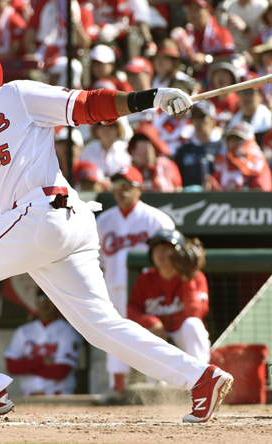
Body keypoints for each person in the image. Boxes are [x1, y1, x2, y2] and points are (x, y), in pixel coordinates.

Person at [0, 44, 233, 422]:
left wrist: (151, 98)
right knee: (101, 328)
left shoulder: (16, 95)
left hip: (43, 211)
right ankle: (201, 377)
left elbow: (86, 105)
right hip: (49, 224)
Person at [96, 165, 176, 394]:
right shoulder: (103, 221)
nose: (121, 190)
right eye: (117, 185)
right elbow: (97, 260)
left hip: (147, 290)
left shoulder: (157, 219)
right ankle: (118, 387)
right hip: (113, 288)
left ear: (139, 189)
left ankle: (157, 385)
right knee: (114, 335)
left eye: (127, 185)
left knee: (149, 334)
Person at [128, 229, 210, 365]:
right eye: (156, 249)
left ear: (180, 253)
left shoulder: (196, 277)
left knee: (193, 325)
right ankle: (153, 379)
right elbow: (132, 310)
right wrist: (151, 322)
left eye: (166, 249)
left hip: (182, 335)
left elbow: (196, 313)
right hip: (158, 336)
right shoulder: (145, 278)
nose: (160, 253)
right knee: (145, 331)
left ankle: (199, 374)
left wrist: (187, 277)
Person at [5, 290, 83, 396]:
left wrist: (26, 366)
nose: (45, 302)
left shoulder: (68, 331)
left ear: (57, 303)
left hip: (59, 396)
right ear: (36, 302)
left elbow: (61, 371)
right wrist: (41, 361)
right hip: (29, 397)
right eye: (41, 298)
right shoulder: (23, 331)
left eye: (49, 298)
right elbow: (11, 367)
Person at [174, 101, 223, 190]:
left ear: (212, 120)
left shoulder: (222, 146)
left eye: (202, 116)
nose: (198, 121)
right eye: (195, 117)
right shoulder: (184, 149)